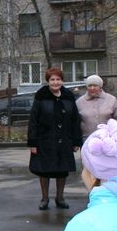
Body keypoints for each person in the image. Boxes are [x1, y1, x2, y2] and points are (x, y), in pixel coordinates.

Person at [27, 67, 82, 210]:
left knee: (62, 169)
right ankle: (45, 199)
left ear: (62, 81)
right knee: (44, 170)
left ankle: (60, 198)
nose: (55, 82)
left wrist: (76, 141)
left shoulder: (68, 97)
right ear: (48, 81)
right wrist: (33, 142)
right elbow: (33, 121)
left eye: (58, 79)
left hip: (65, 139)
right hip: (44, 140)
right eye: (52, 79)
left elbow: (75, 120)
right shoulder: (41, 96)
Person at [76, 74, 117, 141]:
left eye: (95, 85)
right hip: (87, 140)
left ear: (100, 87)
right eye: (89, 86)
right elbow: (75, 123)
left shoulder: (111, 100)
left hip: (109, 140)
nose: (92, 88)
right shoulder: (79, 102)